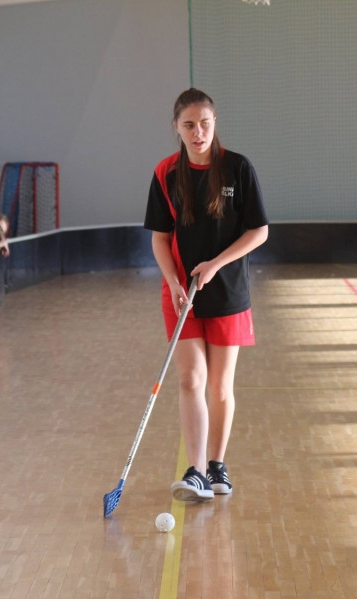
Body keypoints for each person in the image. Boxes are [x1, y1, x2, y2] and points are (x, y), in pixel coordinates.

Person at [144, 88, 269, 502]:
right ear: (176, 128)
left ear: (215, 124)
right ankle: (195, 470)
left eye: (204, 124)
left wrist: (216, 264)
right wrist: (174, 282)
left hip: (228, 290)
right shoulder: (166, 173)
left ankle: (217, 464)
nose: (198, 132)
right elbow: (160, 238)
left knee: (218, 386)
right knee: (190, 378)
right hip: (182, 294)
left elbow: (259, 230)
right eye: (189, 125)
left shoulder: (237, 168)